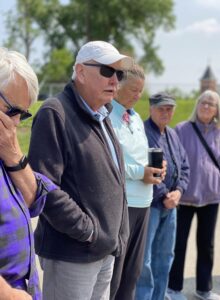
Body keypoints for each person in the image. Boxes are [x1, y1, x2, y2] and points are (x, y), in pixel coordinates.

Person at [28, 41, 133, 300]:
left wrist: (113, 236)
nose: (114, 80)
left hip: (104, 250)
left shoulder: (103, 115)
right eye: (107, 71)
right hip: (73, 254)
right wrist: (89, 232)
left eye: (118, 73)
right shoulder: (56, 113)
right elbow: (45, 187)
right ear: (81, 71)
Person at [0, 47, 57, 300]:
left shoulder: (5, 146)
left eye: (22, 114)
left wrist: (13, 155)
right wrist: (9, 294)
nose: (15, 123)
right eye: (11, 111)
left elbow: (35, 200)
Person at [109, 65, 166, 300]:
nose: (138, 95)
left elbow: (139, 157)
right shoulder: (107, 116)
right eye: (134, 89)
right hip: (124, 204)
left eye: (141, 90)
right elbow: (108, 164)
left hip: (145, 203)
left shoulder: (135, 119)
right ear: (118, 85)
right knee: (115, 273)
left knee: (133, 273)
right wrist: (139, 172)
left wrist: (156, 169)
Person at [167, 90, 220, 300]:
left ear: (217, 108)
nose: (207, 106)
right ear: (197, 104)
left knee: (206, 244)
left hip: (211, 197)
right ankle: (173, 288)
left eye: (212, 103)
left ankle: (204, 289)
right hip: (184, 196)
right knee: (178, 243)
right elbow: (173, 158)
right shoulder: (182, 129)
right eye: (203, 102)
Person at [135, 92, 190, 300]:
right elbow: (144, 167)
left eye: (169, 109)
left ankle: (159, 296)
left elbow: (185, 167)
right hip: (151, 206)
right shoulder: (141, 132)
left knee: (166, 257)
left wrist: (179, 192)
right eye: (161, 108)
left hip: (171, 206)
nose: (166, 113)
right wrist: (165, 195)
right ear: (151, 109)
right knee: (145, 260)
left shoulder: (173, 134)